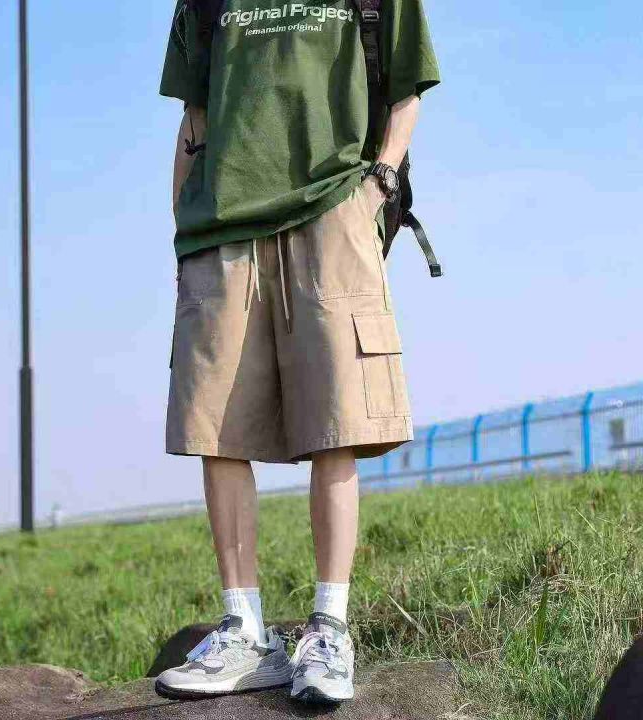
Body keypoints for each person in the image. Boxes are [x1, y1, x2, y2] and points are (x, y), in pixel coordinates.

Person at [155, 0, 440, 704]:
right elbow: (194, 117)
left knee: (337, 421)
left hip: (333, 206)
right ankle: (244, 630)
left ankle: (329, 627)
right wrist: (182, 230)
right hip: (221, 224)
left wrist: (377, 185)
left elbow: (407, 91)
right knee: (215, 425)